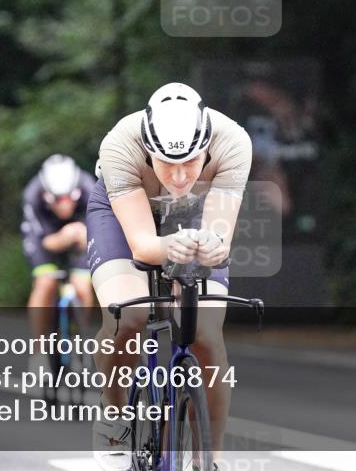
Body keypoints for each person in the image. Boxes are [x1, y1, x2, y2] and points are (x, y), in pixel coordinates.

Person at [87, 83, 251, 471]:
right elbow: (144, 246)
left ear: (207, 146)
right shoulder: (120, 145)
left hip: (193, 215)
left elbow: (220, 233)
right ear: (148, 149)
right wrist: (168, 247)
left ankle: (207, 460)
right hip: (124, 213)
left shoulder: (233, 142)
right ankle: (114, 416)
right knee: (129, 316)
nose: (178, 177)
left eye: (191, 163)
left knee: (207, 336)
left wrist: (213, 247)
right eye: (166, 164)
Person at [21, 154, 96, 341]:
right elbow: (45, 242)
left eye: (68, 198)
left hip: (80, 234)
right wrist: (65, 237)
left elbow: (100, 232)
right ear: (47, 194)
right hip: (47, 237)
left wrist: (82, 234)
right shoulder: (33, 195)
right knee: (44, 284)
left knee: (82, 286)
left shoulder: (89, 188)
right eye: (57, 200)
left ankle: (81, 336)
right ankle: (38, 350)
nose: (64, 206)